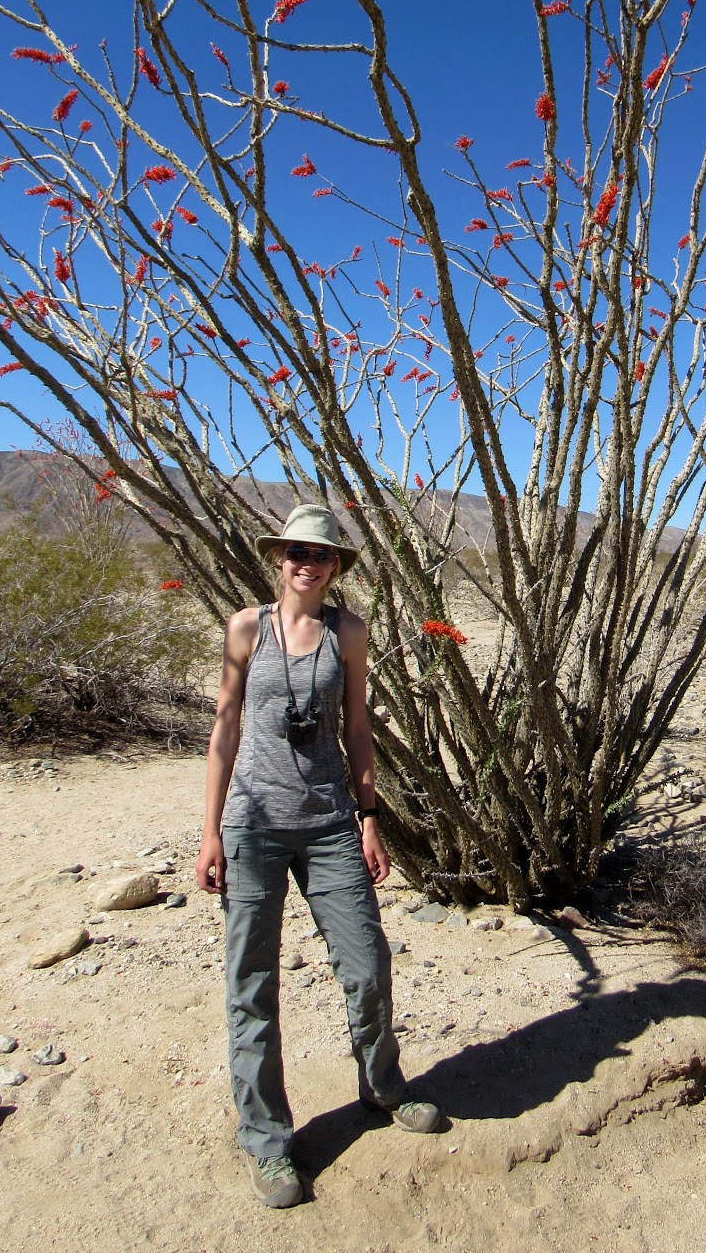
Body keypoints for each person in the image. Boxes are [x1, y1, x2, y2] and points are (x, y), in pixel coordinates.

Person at [195, 503, 443, 1209]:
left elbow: (357, 728)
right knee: (252, 983)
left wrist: (370, 818)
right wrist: (210, 832)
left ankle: (383, 1086)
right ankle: (266, 1141)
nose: (309, 563)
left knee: (366, 963)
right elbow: (223, 729)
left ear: (336, 567)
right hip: (255, 824)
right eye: (298, 551)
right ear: (279, 559)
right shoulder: (247, 628)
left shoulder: (349, 633)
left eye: (323, 554)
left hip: (333, 821)